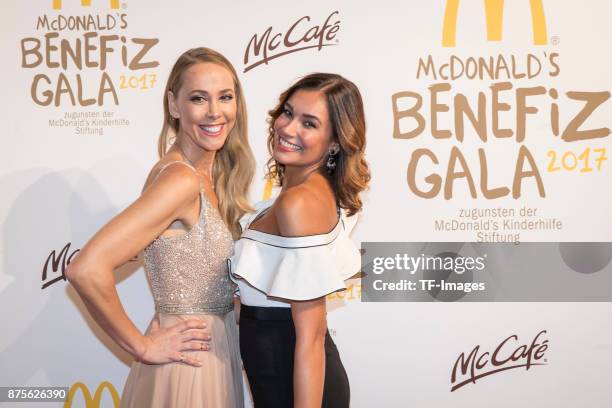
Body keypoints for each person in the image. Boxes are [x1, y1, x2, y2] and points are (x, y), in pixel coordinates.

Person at [66, 47, 255, 408]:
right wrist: (143, 345)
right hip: (189, 362)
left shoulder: (209, 175)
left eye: (225, 97)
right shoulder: (180, 180)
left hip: (215, 349)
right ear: (173, 105)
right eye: (198, 98)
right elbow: (86, 269)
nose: (215, 112)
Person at [229, 73, 370, 408]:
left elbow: (311, 336)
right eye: (288, 113)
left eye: (309, 123)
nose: (289, 129)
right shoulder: (309, 191)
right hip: (280, 376)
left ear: (335, 142)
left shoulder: (299, 203)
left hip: (294, 384)